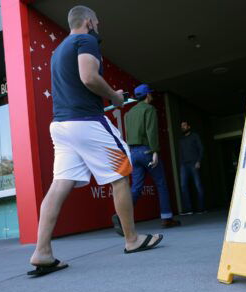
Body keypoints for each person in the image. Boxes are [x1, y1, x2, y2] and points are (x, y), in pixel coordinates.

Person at [28, 6, 162, 277]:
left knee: (58, 185)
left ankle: (42, 252)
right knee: (122, 173)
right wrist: (114, 96)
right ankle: (132, 240)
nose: (98, 26)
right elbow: (88, 77)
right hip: (86, 123)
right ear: (88, 21)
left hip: (61, 126)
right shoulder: (86, 40)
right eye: (97, 22)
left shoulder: (59, 50)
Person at [112, 84, 181, 233]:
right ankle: (167, 218)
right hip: (147, 151)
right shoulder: (149, 109)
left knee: (136, 187)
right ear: (147, 95)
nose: (152, 96)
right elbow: (151, 131)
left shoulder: (129, 113)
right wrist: (155, 151)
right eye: (150, 94)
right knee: (161, 183)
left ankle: (121, 217)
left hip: (133, 153)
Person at [178, 121, 205, 216]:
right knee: (183, 186)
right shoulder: (181, 140)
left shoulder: (195, 136)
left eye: (184, 126)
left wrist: (199, 161)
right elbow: (180, 153)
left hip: (194, 163)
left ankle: (201, 209)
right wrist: (180, 164)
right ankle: (188, 209)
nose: (183, 127)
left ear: (189, 126)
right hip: (184, 165)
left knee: (198, 185)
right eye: (182, 126)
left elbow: (201, 149)